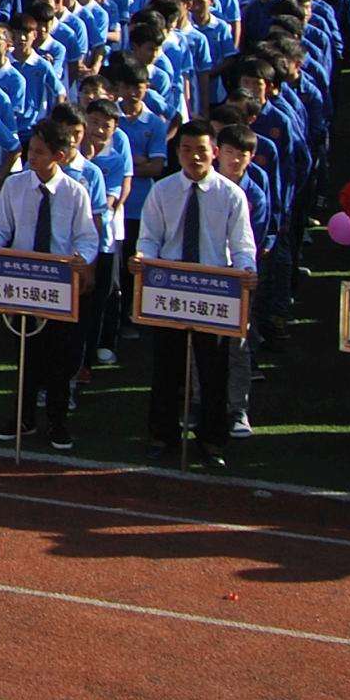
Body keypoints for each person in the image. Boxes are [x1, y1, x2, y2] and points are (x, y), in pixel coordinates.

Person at [133, 118, 255, 467]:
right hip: (169, 288)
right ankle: (162, 435)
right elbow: (150, 237)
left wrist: (247, 272)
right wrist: (144, 259)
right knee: (167, 368)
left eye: (201, 150)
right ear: (177, 152)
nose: (194, 157)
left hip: (213, 292)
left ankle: (212, 441)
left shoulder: (231, 195)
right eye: (186, 150)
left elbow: (242, 244)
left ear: (214, 153)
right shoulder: (163, 190)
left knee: (213, 371)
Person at [0, 108, 102, 451]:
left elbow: (86, 238)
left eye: (38, 152)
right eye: (29, 151)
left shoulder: (75, 191)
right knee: (26, 354)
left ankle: (57, 420)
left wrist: (79, 263)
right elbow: (0, 228)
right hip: (23, 284)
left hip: (60, 286)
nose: (31, 157)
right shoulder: (16, 186)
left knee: (60, 358)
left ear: (58, 157)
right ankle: (22, 416)